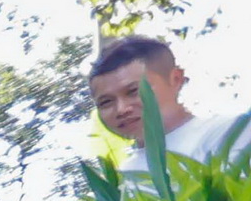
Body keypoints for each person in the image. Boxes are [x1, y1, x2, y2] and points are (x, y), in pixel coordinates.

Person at [89, 34, 249, 174]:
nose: (122, 109)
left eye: (133, 91)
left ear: (176, 79)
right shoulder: (125, 178)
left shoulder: (230, 133)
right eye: (106, 102)